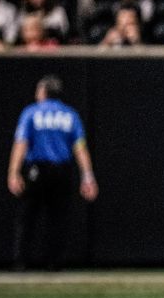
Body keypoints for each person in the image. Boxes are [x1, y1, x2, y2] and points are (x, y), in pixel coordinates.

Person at [7, 76, 99, 271]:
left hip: (36, 169)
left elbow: (21, 143)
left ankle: (21, 261)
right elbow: (80, 147)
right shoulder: (70, 114)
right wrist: (87, 175)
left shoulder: (31, 112)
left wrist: (14, 172)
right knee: (58, 218)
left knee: (28, 216)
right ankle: (54, 262)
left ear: (42, 92)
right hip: (62, 170)